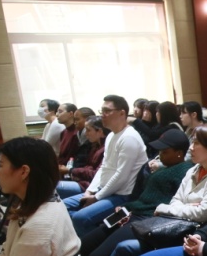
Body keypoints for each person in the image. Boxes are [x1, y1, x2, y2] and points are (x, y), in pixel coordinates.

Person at [95, 124, 207, 256]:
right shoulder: (194, 170)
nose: (191, 148)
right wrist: (186, 207)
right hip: (173, 227)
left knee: (124, 249)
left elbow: (201, 213)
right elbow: (175, 201)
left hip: (192, 236)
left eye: (196, 143)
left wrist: (164, 208)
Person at [76, 128, 193, 256]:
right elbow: (143, 198)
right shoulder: (165, 167)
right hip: (132, 212)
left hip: (146, 219)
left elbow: (170, 203)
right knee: (85, 244)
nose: (160, 155)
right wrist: (127, 208)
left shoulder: (185, 171)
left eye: (165, 152)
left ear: (179, 153)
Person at [63, 94, 148, 236]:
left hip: (121, 195)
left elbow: (121, 176)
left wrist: (96, 197)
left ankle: (91, 244)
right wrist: (90, 191)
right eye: (101, 111)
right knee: (63, 207)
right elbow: (104, 167)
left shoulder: (129, 137)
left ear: (122, 113)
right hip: (103, 190)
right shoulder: (111, 135)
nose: (102, 115)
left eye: (107, 111)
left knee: (80, 217)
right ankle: (87, 238)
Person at [57, 116, 107, 198]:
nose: (86, 134)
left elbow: (95, 174)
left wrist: (71, 170)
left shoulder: (105, 149)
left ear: (99, 131)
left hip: (89, 187)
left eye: (88, 130)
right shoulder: (94, 146)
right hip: (82, 181)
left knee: (53, 187)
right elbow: (88, 167)